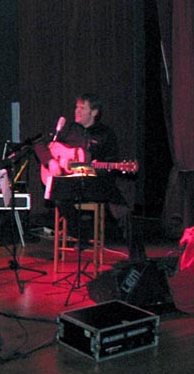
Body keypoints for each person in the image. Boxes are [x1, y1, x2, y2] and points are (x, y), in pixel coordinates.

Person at [34, 93, 144, 260]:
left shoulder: (106, 134)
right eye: (76, 107)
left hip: (96, 183)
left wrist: (96, 169)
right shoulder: (68, 129)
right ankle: (82, 234)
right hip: (71, 183)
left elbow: (111, 164)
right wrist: (51, 162)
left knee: (123, 212)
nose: (77, 111)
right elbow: (39, 145)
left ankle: (139, 258)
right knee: (58, 196)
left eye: (82, 108)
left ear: (94, 112)